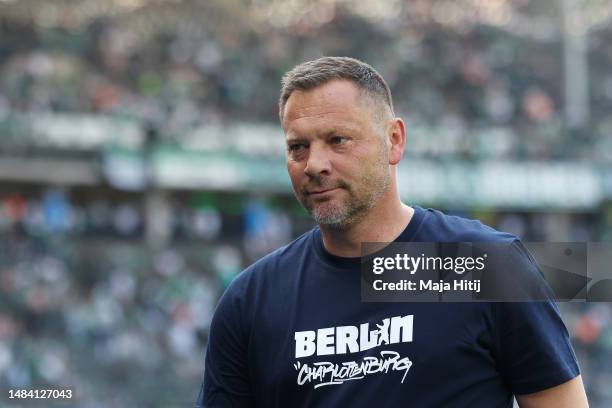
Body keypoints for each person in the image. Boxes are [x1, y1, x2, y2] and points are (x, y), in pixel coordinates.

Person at [195, 57, 589, 407]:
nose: (314, 164)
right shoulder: (251, 300)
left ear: (394, 141)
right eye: (298, 147)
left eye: (338, 140)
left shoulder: (484, 266)